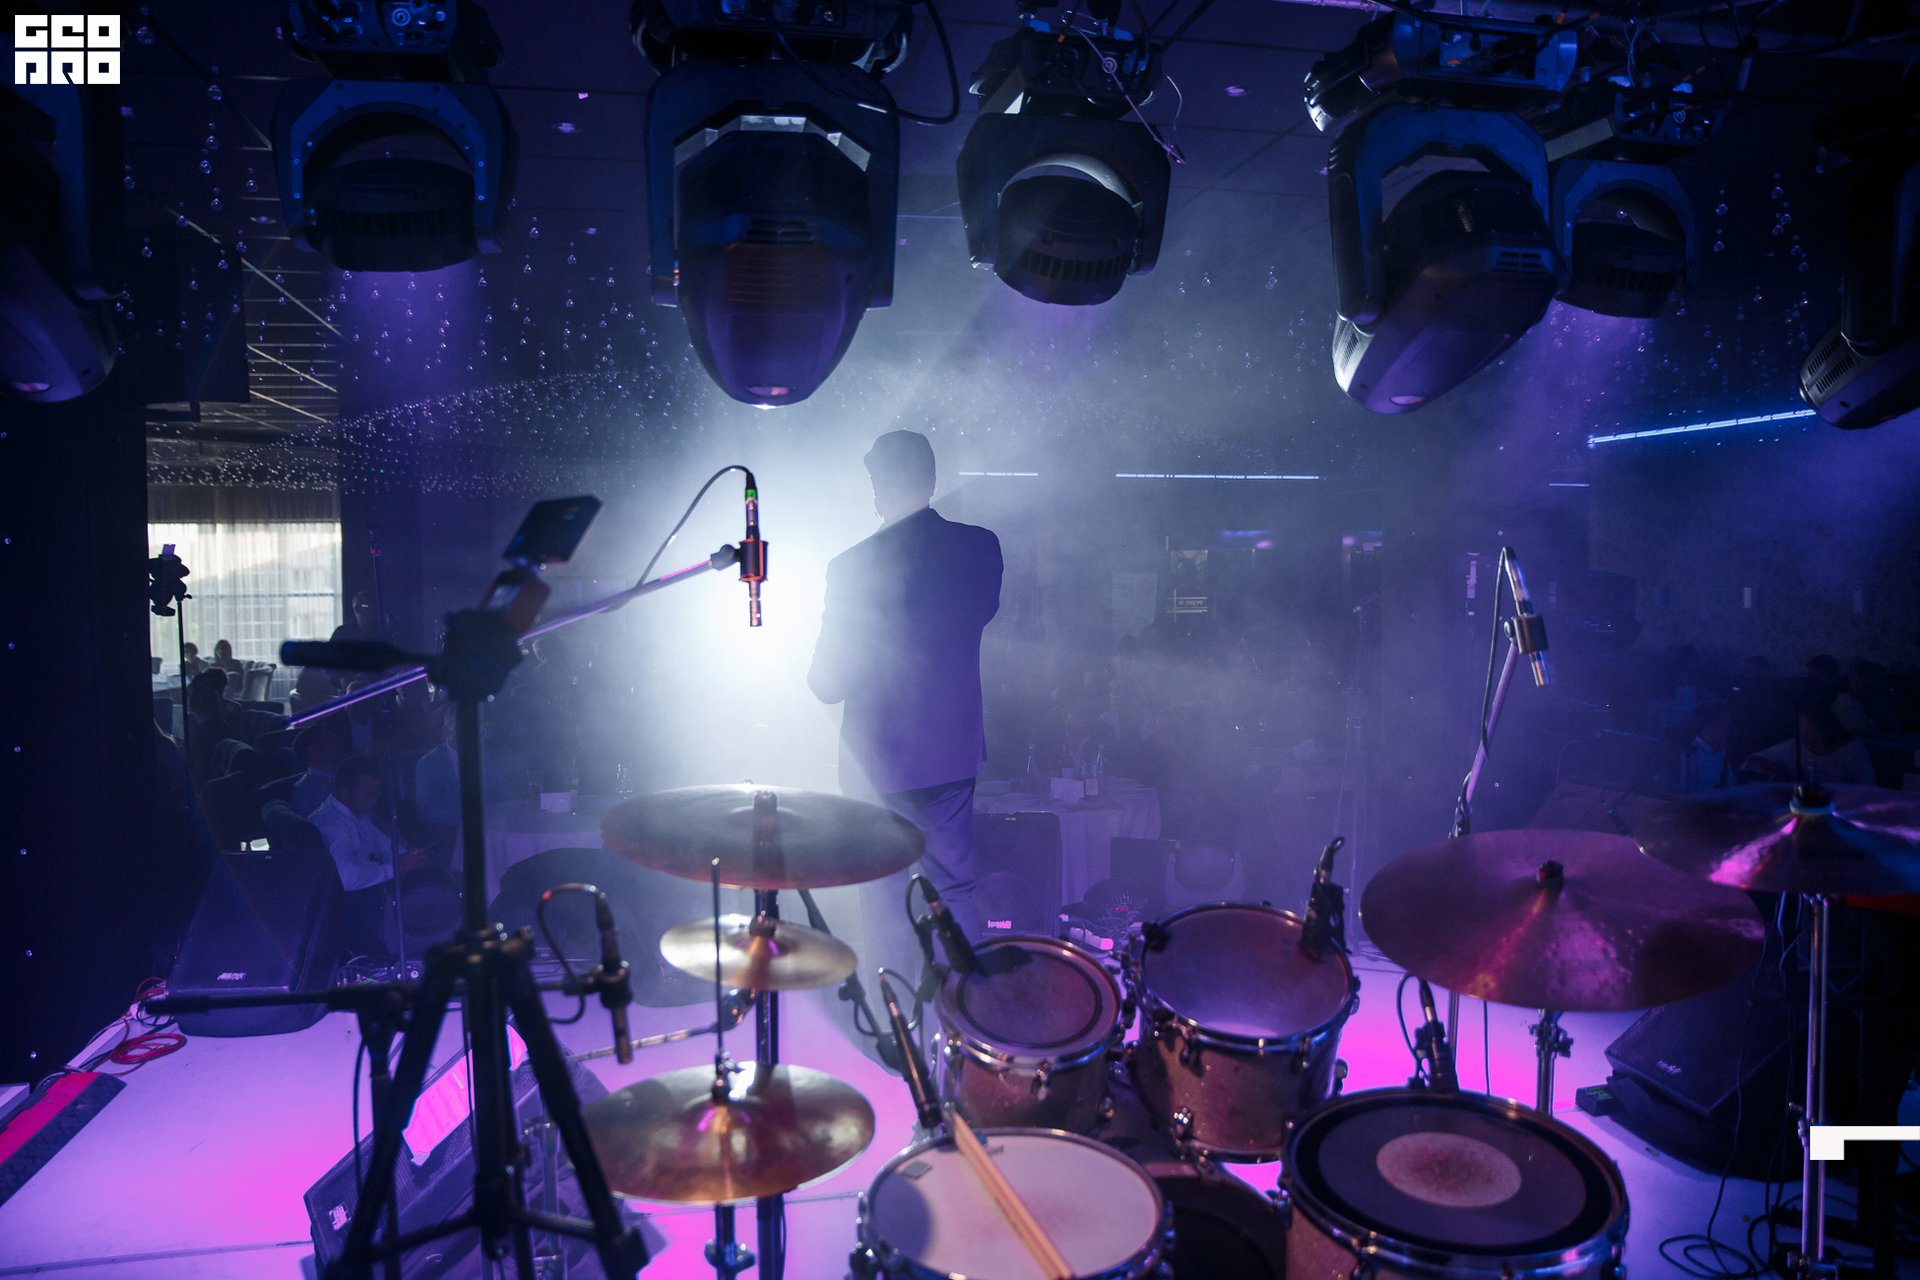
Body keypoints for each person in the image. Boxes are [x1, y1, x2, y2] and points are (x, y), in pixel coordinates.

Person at [809, 429, 1003, 942]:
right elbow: (981, 615)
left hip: (879, 763)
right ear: (933, 482)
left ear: (875, 486)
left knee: (885, 897)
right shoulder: (981, 547)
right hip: (953, 754)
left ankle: (897, 993)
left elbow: (828, 683)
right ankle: (964, 990)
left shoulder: (852, 566)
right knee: (955, 889)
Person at [310, 755, 425, 952]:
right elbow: (345, 879)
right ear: (344, 792)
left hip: (365, 896)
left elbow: (382, 844)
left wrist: (408, 856)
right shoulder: (333, 824)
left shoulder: (355, 814)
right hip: (352, 907)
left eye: (376, 795)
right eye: (369, 795)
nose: (374, 802)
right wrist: (396, 868)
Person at [1744, 699, 1876, 788]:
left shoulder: (1852, 750)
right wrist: (1778, 771)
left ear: (1818, 724)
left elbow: (1867, 789)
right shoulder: (1795, 746)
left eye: (1801, 723)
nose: (1796, 728)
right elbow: (1752, 760)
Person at [291, 723, 347, 818]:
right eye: (332, 742)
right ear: (314, 751)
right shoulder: (306, 790)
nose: (339, 744)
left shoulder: (344, 776)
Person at [1834, 661, 1902, 737]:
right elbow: (1866, 732)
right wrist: (1881, 708)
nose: (1885, 683)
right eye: (1879, 679)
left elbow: (1896, 729)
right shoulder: (1844, 701)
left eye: (1884, 679)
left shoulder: (1874, 700)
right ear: (1863, 681)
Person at [1681, 700, 1732, 793]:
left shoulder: (1723, 754)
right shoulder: (1688, 758)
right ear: (1709, 730)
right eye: (1726, 726)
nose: (1731, 731)